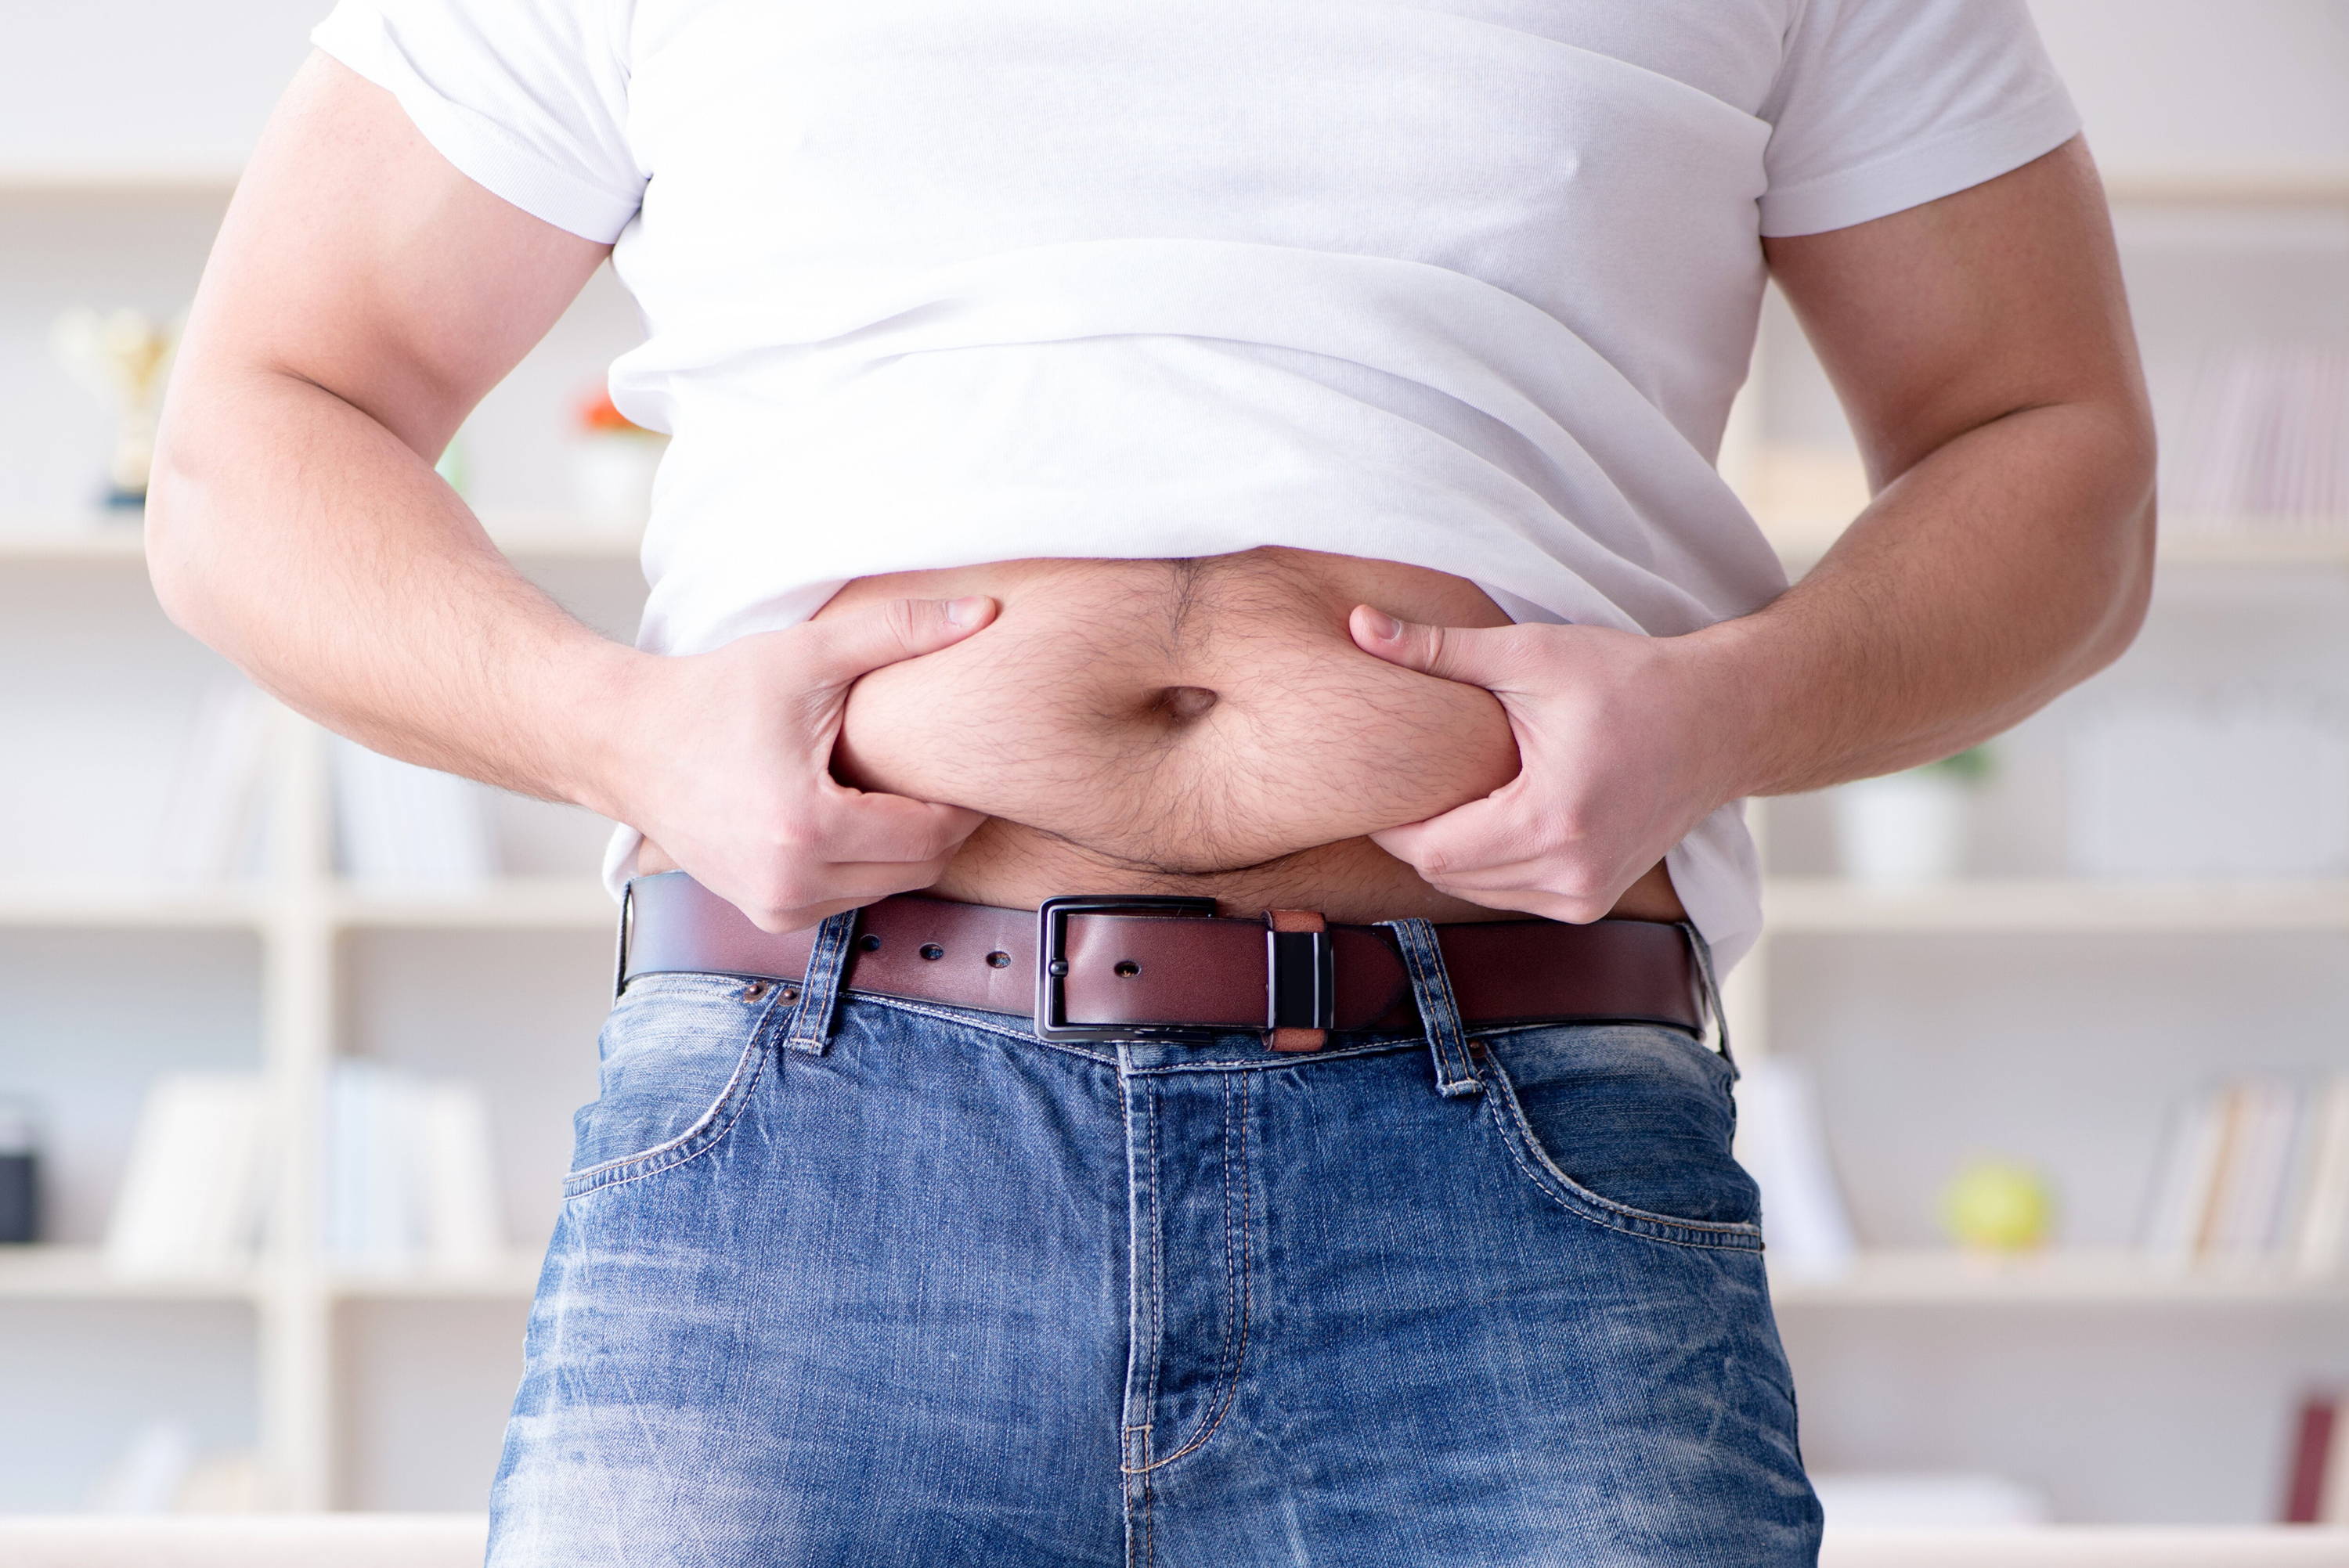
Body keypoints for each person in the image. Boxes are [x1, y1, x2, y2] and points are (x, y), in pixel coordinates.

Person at [145, 0, 2154, 1561]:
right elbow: (253, 438)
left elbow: (2055, 456)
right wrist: (618, 729)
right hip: (808, 1135)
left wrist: (1725, 713)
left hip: (1511, 1154)